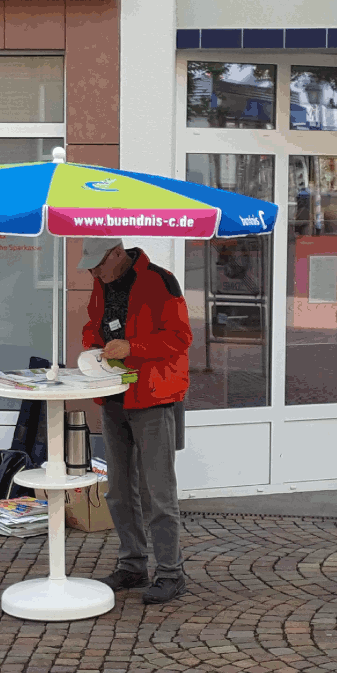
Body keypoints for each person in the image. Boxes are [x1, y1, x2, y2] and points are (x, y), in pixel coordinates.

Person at [80, 238, 192, 604]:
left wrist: (132, 347)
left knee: (157, 491)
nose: (93, 273)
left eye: (97, 265)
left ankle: (171, 572)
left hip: (154, 397)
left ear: (117, 253)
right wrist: (94, 348)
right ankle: (133, 564)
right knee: (119, 490)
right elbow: (93, 326)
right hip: (113, 394)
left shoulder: (161, 281)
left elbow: (180, 337)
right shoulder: (102, 282)